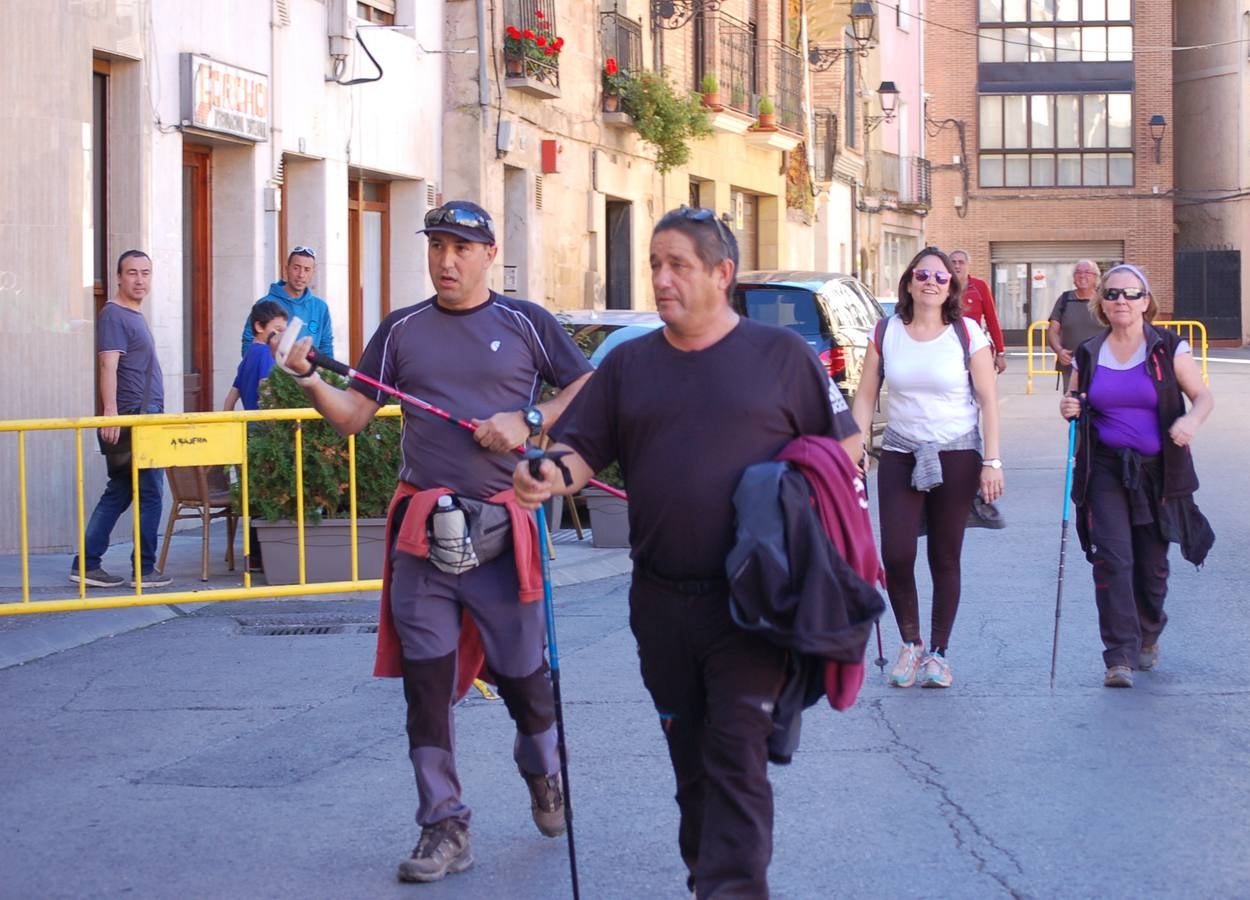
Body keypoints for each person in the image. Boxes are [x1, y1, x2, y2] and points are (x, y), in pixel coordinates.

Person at [512, 207, 862, 898]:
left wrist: (789, 492)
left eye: (678, 265)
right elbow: (582, 450)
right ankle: (708, 877)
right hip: (662, 603)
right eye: (654, 264)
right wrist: (547, 472)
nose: (661, 279)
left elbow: (845, 447)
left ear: (721, 274)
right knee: (693, 764)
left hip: (755, 600)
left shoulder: (781, 358)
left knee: (737, 756)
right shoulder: (630, 364)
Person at [274, 200, 593, 882]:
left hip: (504, 535)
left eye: (460, 248)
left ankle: (542, 772)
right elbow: (355, 417)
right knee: (424, 684)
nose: (446, 260)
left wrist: (529, 417)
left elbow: (590, 385)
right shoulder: (402, 330)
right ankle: (442, 826)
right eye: (437, 247)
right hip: (424, 531)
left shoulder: (526, 323)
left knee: (523, 681)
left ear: (486, 255)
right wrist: (307, 378)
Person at [853, 248, 1003, 690]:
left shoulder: (967, 332)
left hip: (956, 454)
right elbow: (865, 396)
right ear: (909, 282)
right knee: (896, 554)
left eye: (940, 277)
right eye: (923, 274)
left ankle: (939, 653)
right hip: (900, 451)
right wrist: (857, 445)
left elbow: (988, 401)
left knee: (944, 555)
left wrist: (992, 461)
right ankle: (910, 643)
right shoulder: (886, 331)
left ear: (951, 287)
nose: (932, 282)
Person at [1059, 264, 1214, 689]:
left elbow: (1202, 397)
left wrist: (1190, 423)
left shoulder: (1168, 349)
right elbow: (1073, 399)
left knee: (1151, 566)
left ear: (1146, 302)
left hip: (1157, 472)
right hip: (1105, 469)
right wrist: (1069, 407)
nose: (1121, 301)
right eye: (1112, 295)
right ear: (1101, 304)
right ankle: (1119, 655)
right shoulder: (1090, 351)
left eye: (1131, 294)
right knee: (1112, 558)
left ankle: (1149, 630)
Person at [70, 250, 172, 589]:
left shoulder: (132, 314)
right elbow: (107, 365)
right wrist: (111, 413)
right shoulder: (114, 315)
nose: (140, 279)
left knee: (121, 491)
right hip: (132, 419)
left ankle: (87, 562)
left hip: (139, 417)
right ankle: (143, 570)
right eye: (132, 273)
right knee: (150, 494)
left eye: (146, 273)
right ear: (118, 277)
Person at [241, 245, 333, 359]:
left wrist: (326, 376)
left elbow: (326, 350)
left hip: (308, 376)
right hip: (273, 375)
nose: (301, 275)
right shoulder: (265, 304)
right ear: (286, 269)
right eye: (296, 268)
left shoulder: (320, 307)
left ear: (312, 273)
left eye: (307, 269)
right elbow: (249, 345)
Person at [1046, 260, 1104, 392]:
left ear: (1096, 278)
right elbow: (1053, 331)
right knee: (1072, 405)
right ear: (1073, 278)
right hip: (1070, 366)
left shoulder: (1104, 301)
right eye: (1078, 272)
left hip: (1101, 365)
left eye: (1087, 272)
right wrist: (1059, 351)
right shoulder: (1065, 299)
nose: (1082, 275)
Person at [949, 248, 1006, 373]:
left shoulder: (980, 286)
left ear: (968, 265)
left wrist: (1000, 352)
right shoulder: (942, 287)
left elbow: (992, 320)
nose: (957, 266)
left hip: (975, 345)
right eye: (953, 262)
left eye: (961, 262)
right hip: (949, 346)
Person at [224, 300, 287, 411]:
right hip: (264, 425)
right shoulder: (266, 353)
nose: (282, 336)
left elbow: (230, 399)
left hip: (249, 423)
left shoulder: (249, 354)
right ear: (259, 327)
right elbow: (267, 392)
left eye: (284, 331)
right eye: (278, 330)